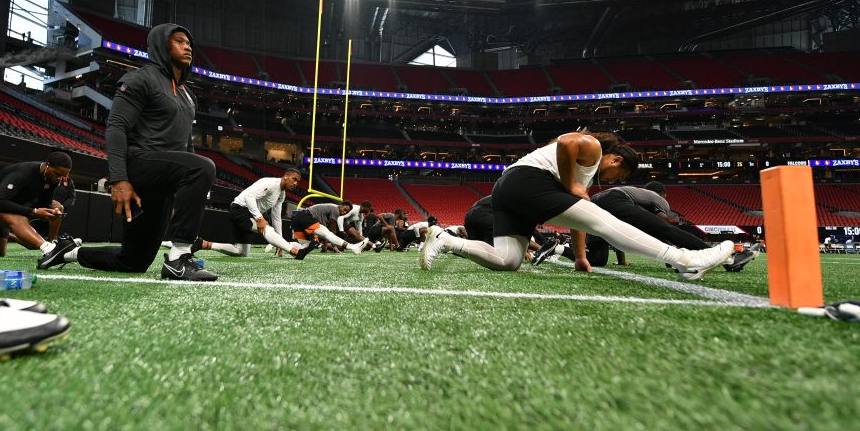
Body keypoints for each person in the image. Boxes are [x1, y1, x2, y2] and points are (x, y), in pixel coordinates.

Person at [420, 132, 736, 279]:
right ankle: (684, 259)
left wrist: (581, 256)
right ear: (616, 158)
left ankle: (446, 240)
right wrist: (572, 184)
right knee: (605, 220)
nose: (614, 178)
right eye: (620, 172)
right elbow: (568, 141)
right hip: (525, 182)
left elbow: (576, 218)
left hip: (508, 190)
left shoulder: (582, 176)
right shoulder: (594, 148)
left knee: (508, 260)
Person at [38, 23, 217, 280]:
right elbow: (116, 127)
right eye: (179, 41)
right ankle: (179, 258)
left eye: (189, 43)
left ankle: (68, 252)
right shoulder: (140, 78)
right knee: (203, 166)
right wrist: (119, 179)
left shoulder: (189, 96)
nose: (187, 46)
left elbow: (186, 145)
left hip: (165, 175)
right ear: (162, 44)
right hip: (140, 164)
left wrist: (184, 188)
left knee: (133, 261)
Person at [536, 181, 756, 272]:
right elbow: (662, 225)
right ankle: (728, 259)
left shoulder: (637, 194)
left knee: (598, 259)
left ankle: (554, 248)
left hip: (596, 202)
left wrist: (621, 262)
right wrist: (675, 250)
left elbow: (619, 231)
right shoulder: (657, 198)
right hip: (615, 200)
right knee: (669, 230)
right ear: (662, 193)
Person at [197, 168, 314, 259]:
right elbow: (249, 197)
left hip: (249, 213)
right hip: (240, 209)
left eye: (298, 181)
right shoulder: (270, 183)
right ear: (286, 176)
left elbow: (276, 217)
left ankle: (204, 244)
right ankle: (295, 252)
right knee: (267, 228)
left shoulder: (281, 195)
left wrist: (280, 242)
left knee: (241, 252)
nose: (296, 183)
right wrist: (259, 218)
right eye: (294, 179)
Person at [289, 201, 369, 254]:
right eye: (344, 209)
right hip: (305, 216)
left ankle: (285, 245)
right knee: (327, 233)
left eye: (346, 212)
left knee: (305, 246)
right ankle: (352, 247)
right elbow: (332, 231)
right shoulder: (335, 210)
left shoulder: (329, 210)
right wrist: (334, 247)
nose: (344, 212)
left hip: (298, 218)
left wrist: (325, 247)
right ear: (341, 205)